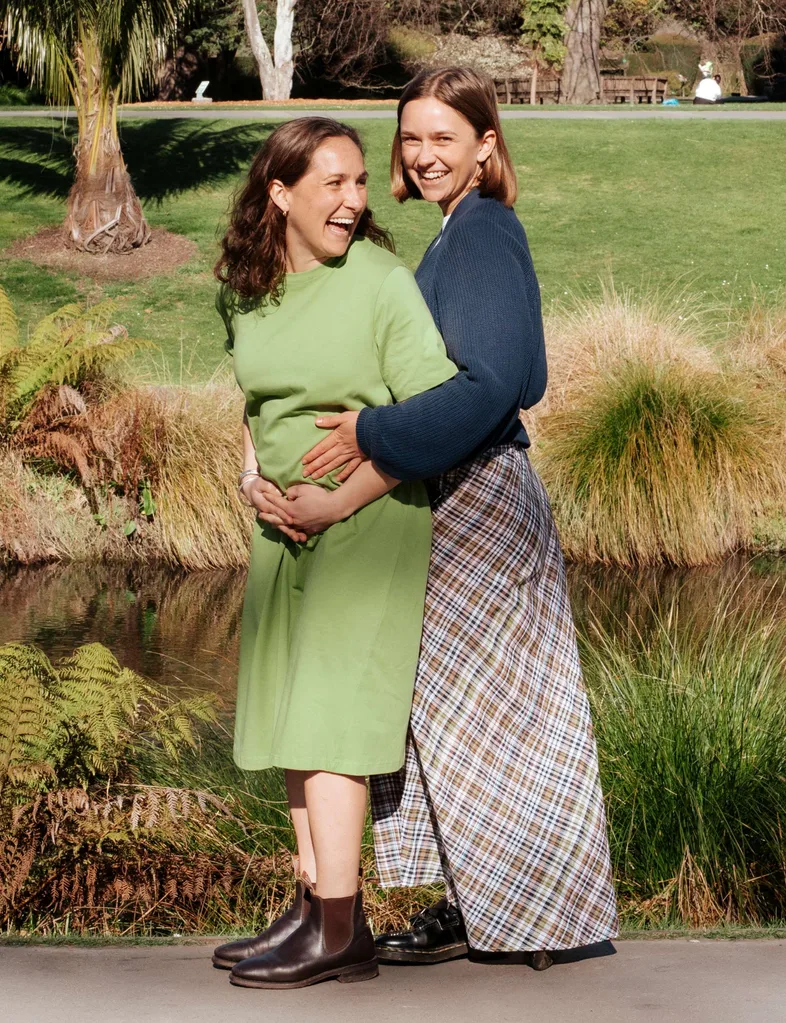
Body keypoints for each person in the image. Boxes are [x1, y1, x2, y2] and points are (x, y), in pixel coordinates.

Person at [291, 67, 618, 968]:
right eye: (412, 137)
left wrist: (370, 429)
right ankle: (478, 909)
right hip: (463, 501)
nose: (425, 154)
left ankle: (540, 923)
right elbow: (523, 372)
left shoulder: (480, 237)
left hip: (481, 505)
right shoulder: (460, 235)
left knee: (500, 720)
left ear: (486, 144)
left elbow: (494, 386)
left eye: (445, 136)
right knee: (460, 721)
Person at [210, 116, 456, 989]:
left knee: (333, 718)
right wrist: (253, 481)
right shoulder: (244, 287)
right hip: (280, 526)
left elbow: (433, 417)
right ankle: (313, 900)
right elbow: (252, 405)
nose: (355, 200)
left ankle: (344, 930)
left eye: (360, 182)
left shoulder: (382, 285)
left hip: (368, 525)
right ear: (279, 195)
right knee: (289, 712)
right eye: (334, 184)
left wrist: (336, 500)